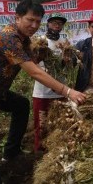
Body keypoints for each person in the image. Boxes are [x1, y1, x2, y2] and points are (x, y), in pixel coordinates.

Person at [0, 0, 86, 184]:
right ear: (17, 18)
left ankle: (11, 153)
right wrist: (67, 91)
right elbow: (33, 71)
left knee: (21, 105)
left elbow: (35, 59)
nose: (34, 26)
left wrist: (56, 55)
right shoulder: (8, 37)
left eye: (38, 22)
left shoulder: (23, 40)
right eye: (30, 20)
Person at [32, 12, 68, 153]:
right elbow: (32, 63)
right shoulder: (40, 41)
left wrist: (66, 60)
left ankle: (57, 150)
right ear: (48, 24)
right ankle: (40, 152)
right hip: (42, 92)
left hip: (60, 91)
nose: (57, 25)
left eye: (60, 23)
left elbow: (65, 66)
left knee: (60, 122)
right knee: (41, 125)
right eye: (54, 23)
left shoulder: (63, 44)